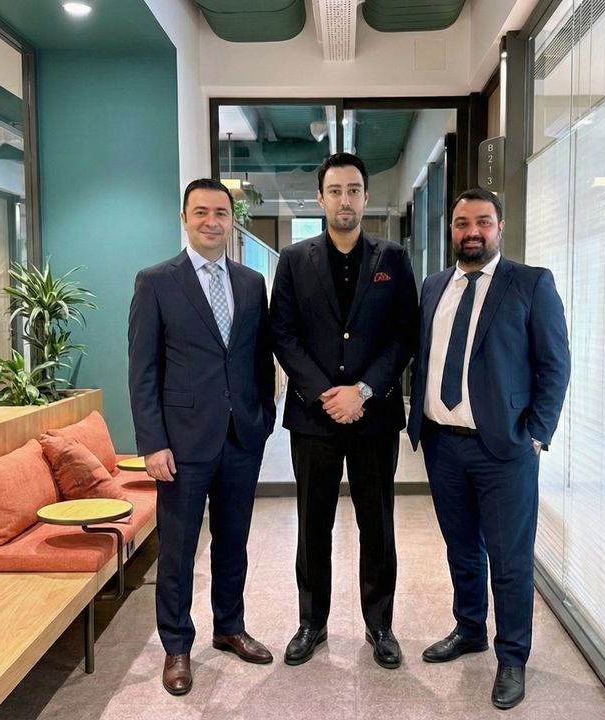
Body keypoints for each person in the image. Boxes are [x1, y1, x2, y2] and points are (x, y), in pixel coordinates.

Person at [407, 188, 570, 710]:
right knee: (461, 548)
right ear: (451, 229)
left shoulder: (531, 283)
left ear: (500, 227)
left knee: (509, 558)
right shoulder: (435, 286)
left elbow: (555, 365)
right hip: (443, 445)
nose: (472, 231)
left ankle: (513, 656)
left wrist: (537, 434)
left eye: (483, 221)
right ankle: (470, 628)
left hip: (505, 450)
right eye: (462, 223)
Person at [269, 152, 419, 669]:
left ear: (366, 196)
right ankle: (311, 622)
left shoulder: (393, 258)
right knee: (313, 524)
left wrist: (364, 390)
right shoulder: (294, 260)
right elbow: (282, 334)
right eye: (335, 191)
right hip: (314, 418)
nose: (345, 200)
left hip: (374, 417)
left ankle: (381, 625)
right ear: (320, 198)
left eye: (353, 190)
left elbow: (404, 334)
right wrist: (325, 393)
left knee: (377, 524)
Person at [128, 178, 277, 696]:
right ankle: (176, 646)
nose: (211, 221)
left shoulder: (251, 282)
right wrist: (152, 443)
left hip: (241, 437)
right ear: (184, 218)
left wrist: (264, 417)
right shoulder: (155, 281)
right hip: (181, 442)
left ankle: (229, 627)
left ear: (231, 219)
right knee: (178, 549)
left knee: (233, 542)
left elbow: (259, 358)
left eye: (220, 212)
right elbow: (142, 370)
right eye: (201, 212)